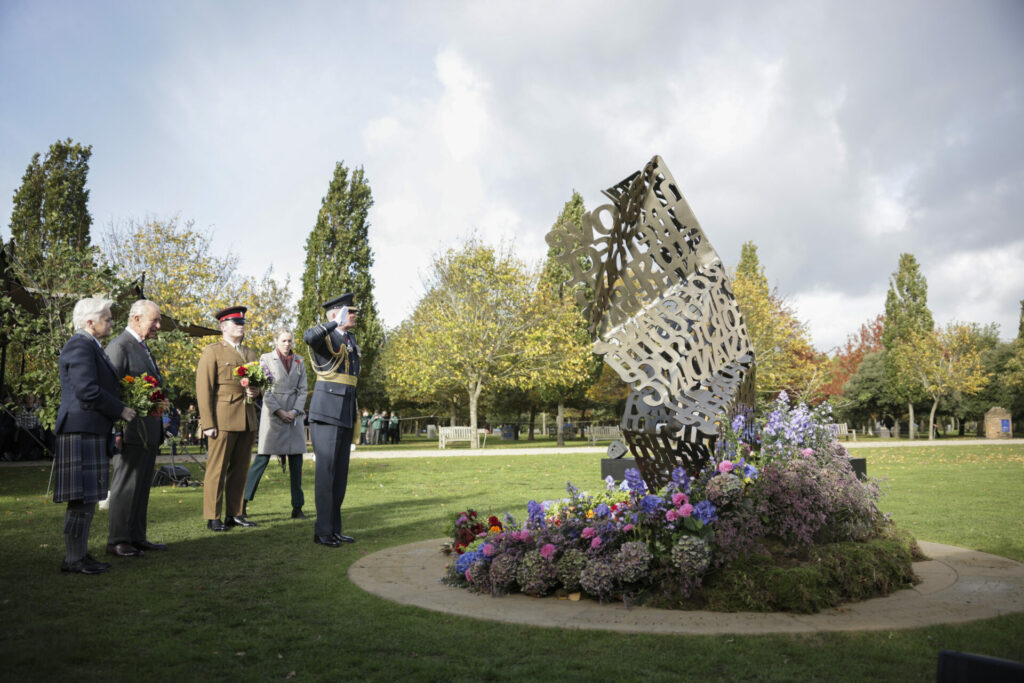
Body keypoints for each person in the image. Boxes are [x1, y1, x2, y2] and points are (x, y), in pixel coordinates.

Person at [54, 297, 136, 574]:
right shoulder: (79, 344)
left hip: (89, 428)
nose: (111, 323)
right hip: (80, 429)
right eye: (108, 319)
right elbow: (86, 390)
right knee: (81, 499)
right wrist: (120, 409)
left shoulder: (92, 346)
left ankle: (79, 555)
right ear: (90, 322)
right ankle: (73, 559)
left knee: (88, 498)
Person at [104, 299, 168, 558]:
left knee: (141, 486)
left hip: (147, 431)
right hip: (130, 432)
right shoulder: (120, 346)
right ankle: (118, 539)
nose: (158, 326)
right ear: (136, 318)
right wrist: (117, 431)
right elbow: (111, 390)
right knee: (125, 485)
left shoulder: (142, 347)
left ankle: (137, 537)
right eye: (155, 320)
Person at [195, 306, 261, 532]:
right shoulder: (213, 351)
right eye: (236, 323)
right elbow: (204, 389)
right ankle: (213, 516)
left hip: (247, 417)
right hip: (222, 419)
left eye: (242, 323)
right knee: (217, 469)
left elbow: (259, 384)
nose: (241, 327)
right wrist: (208, 424)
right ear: (223, 327)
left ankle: (236, 513)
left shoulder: (250, 353)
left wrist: (256, 391)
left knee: (241, 470)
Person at [304, 293, 360, 547]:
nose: (355, 316)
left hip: (345, 411)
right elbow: (308, 336)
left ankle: (335, 529)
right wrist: (332, 324)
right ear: (337, 314)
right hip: (327, 412)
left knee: (339, 476)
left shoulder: (350, 339)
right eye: (351, 312)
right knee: (326, 475)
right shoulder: (326, 336)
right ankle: (323, 531)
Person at [244, 328, 308, 519]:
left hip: (293, 416)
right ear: (276, 341)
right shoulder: (266, 359)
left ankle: (298, 508)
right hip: (273, 415)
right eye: (283, 341)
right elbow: (265, 390)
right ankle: (242, 502)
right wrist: (280, 412)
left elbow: (303, 389)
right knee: (261, 460)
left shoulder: (300, 361)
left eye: (289, 340)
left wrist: (295, 411)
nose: (287, 344)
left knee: (296, 463)